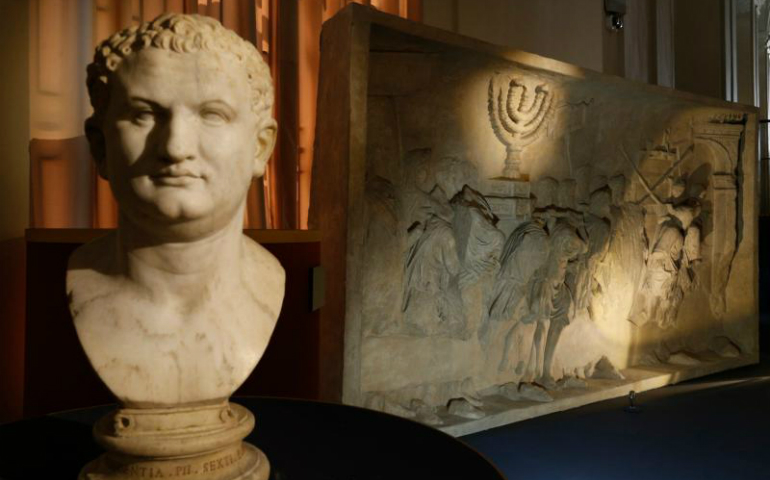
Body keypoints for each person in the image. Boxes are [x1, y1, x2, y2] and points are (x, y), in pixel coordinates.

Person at [67, 13, 285, 408]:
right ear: (100, 146)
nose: (175, 147)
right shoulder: (80, 286)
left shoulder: (270, 289)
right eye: (144, 114)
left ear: (260, 147)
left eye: (212, 114)